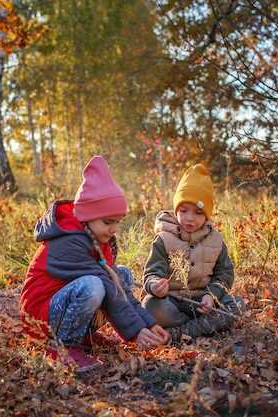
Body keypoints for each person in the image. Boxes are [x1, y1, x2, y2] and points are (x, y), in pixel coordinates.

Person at [20, 155, 169, 373]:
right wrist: (135, 331)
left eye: (117, 222)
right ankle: (63, 349)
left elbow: (117, 285)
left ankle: (84, 337)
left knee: (122, 275)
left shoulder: (98, 239)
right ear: (86, 216)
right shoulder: (69, 240)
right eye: (107, 222)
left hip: (60, 310)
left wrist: (148, 323)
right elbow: (106, 287)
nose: (113, 229)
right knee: (93, 286)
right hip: (40, 316)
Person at [142, 164, 245, 343]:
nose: (190, 218)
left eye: (198, 213)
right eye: (183, 211)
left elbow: (225, 274)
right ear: (176, 210)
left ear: (207, 215)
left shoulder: (216, 240)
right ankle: (199, 327)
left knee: (237, 305)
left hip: (202, 302)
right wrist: (155, 286)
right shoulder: (163, 239)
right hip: (172, 301)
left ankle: (180, 332)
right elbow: (151, 273)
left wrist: (211, 295)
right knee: (150, 305)